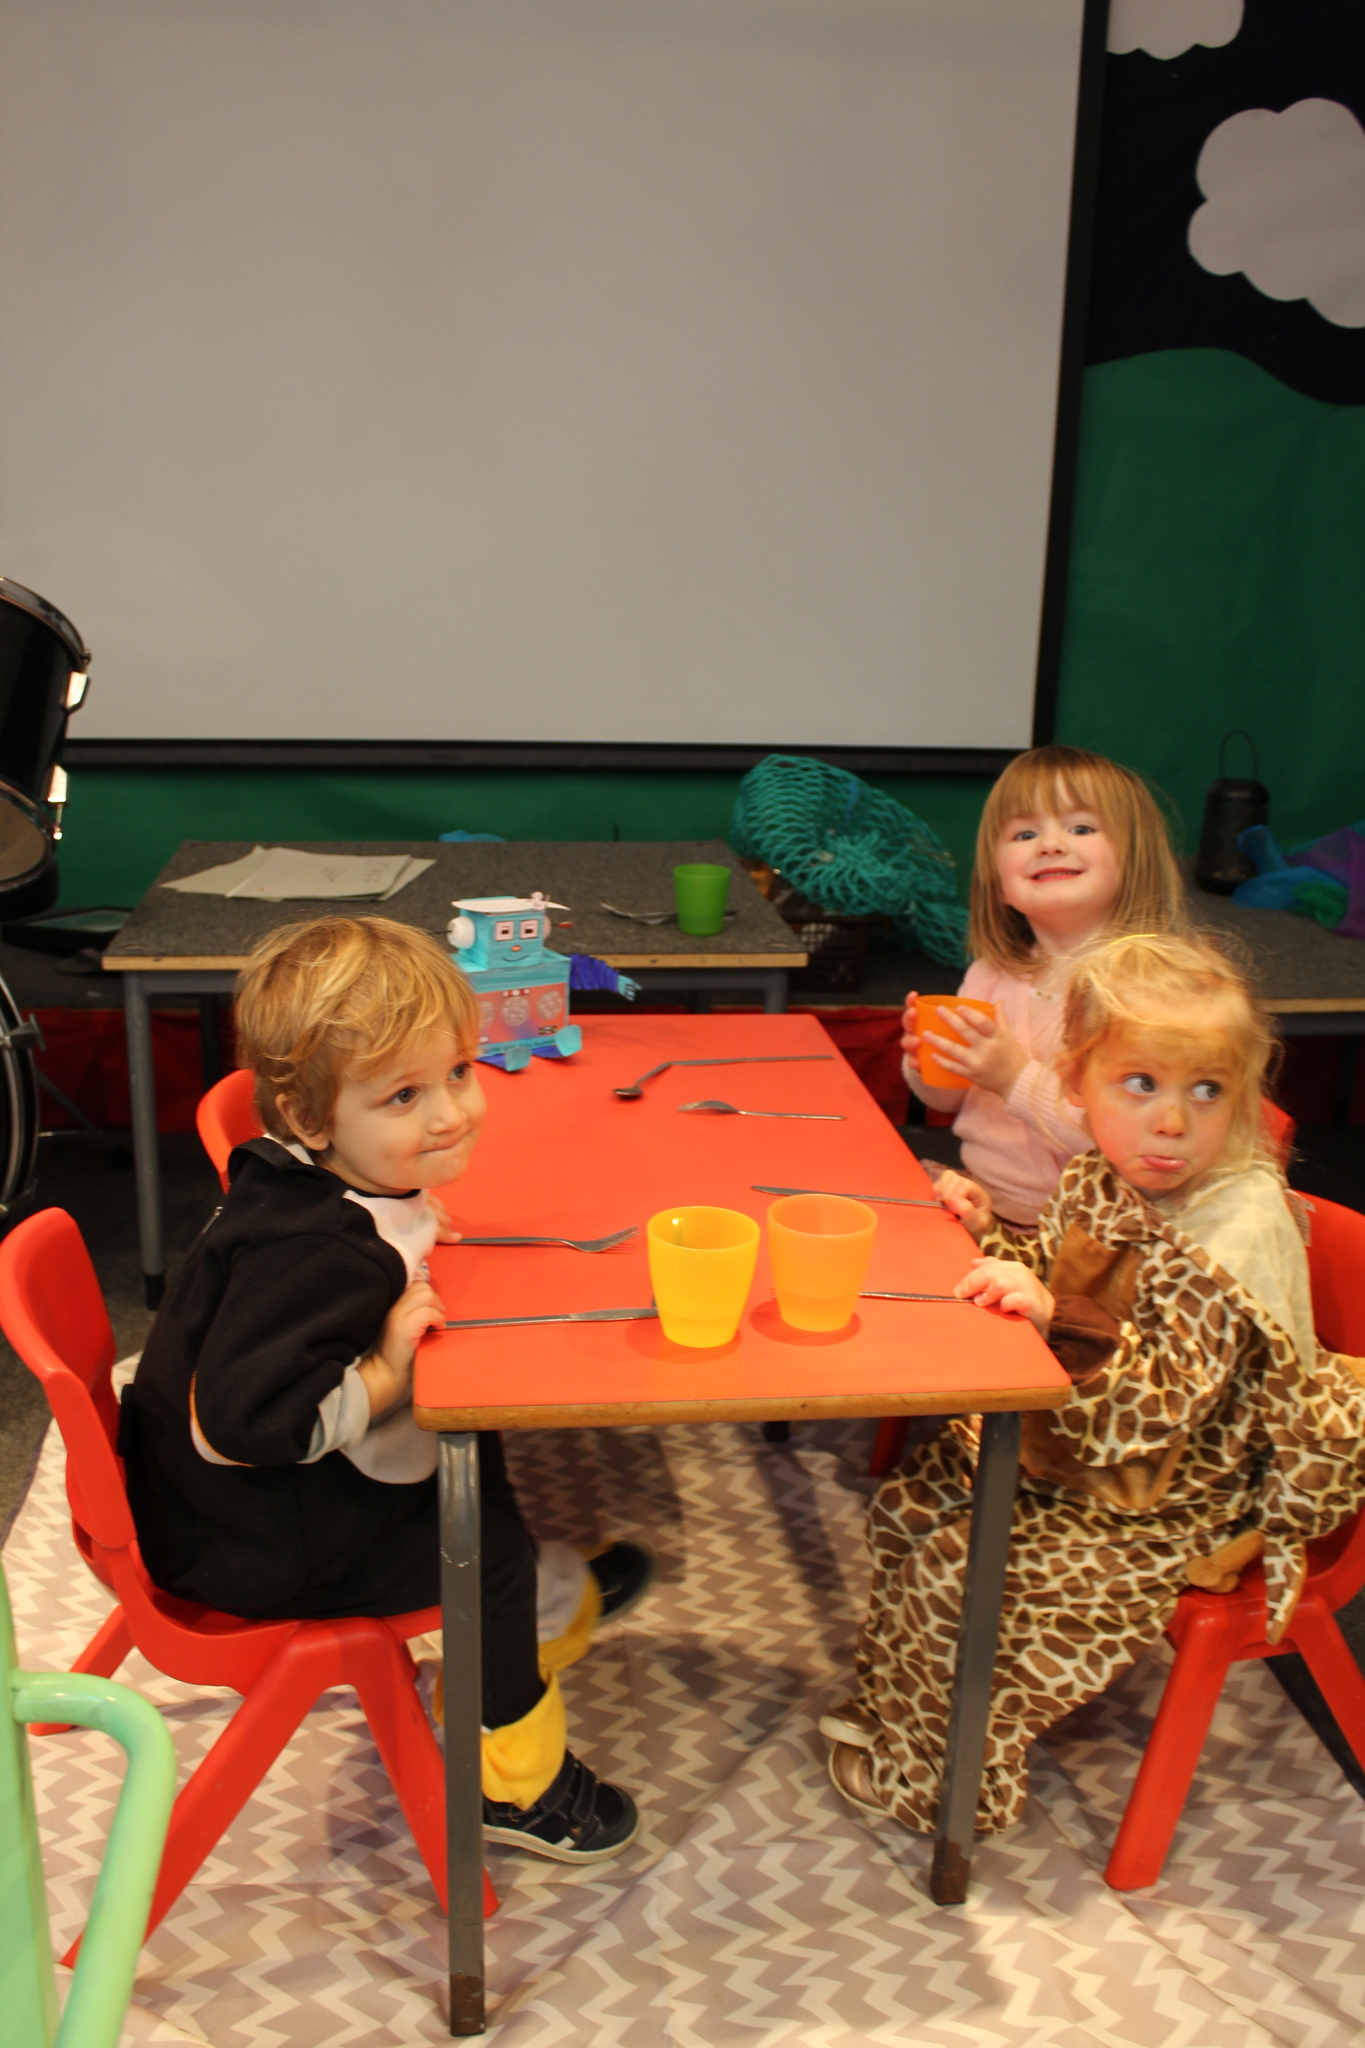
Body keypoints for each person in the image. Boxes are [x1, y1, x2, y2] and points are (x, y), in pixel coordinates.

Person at [119, 915, 647, 1863]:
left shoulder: (318, 1183)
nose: (450, 1114)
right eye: (403, 1096)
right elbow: (240, 1422)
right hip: (252, 1545)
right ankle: (514, 1787)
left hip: (236, 1510)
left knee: (476, 1457)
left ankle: (537, 1604)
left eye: (458, 1073)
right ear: (309, 1118)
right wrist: (381, 1372)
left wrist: (412, 1209)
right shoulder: (316, 1257)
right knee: (483, 1550)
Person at [824, 930, 1365, 1833]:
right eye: (1139, 1084)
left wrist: (1050, 1317)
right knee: (912, 1505)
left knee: (962, 1574)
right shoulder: (1100, 1176)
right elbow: (1060, 1276)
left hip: (1174, 1497)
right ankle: (903, 1708)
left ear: (1241, 1096)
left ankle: (942, 1785)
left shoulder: (1229, 1231)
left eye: (1206, 1091)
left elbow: (1160, 1410)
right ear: (1075, 1085)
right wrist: (989, 1235)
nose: (1171, 1122)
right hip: (1083, 1443)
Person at [902, 743, 1183, 1227]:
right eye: (1025, 833)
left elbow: (1131, 1144)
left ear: (1135, 859)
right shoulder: (989, 974)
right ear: (998, 879)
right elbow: (945, 1101)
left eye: (1081, 828)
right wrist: (929, 1063)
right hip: (988, 1206)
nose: (1050, 845)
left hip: (1098, 1235)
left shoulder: (1149, 994)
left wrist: (1012, 1077)